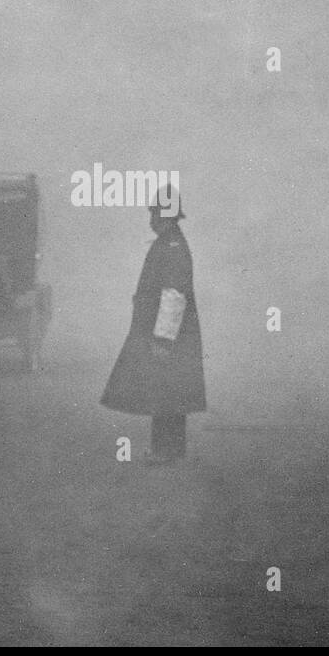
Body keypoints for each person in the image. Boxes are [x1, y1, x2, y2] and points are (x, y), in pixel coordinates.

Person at [100, 187, 206, 464]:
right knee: (169, 393)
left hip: (169, 336)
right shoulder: (171, 242)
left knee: (166, 394)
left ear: (165, 216)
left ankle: (166, 451)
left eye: (155, 214)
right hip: (171, 335)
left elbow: (174, 295)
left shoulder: (172, 246)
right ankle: (169, 450)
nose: (151, 219)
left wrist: (163, 339)